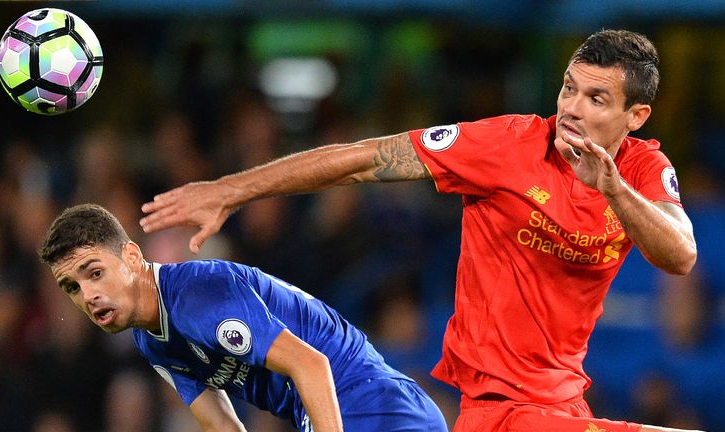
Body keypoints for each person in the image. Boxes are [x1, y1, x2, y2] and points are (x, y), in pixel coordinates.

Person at [140, 29, 703, 432]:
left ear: (636, 117)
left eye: (596, 98)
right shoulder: (506, 146)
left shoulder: (640, 171)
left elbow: (679, 255)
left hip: (565, 403)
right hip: (500, 409)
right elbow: (363, 159)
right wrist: (231, 190)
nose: (572, 109)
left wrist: (612, 189)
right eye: (567, 88)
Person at [38, 203, 448, 432]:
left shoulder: (199, 295)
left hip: (369, 405)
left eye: (95, 273)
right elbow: (221, 425)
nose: (88, 295)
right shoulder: (150, 339)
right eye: (72, 287)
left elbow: (311, 363)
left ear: (131, 256)